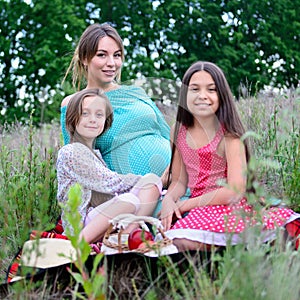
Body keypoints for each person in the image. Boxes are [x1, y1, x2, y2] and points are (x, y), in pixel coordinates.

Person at [159, 61, 300, 251]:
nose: (202, 96)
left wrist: (184, 205)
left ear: (221, 96)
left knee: (182, 241)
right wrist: (169, 201)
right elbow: (178, 181)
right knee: (172, 241)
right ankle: (238, 247)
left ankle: (248, 246)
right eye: (194, 89)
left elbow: (234, 190)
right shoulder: (178, 130)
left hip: (229, 204)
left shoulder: (229, 136)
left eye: (211, 89)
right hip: (201, 209)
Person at [61, 23, 171, 177]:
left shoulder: (136, 93)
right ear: (85, 58)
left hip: (176, 184)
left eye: (117, 55)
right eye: (102, 55)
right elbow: (76, 161)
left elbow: (168, 136)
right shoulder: (74, 103)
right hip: (129, 193)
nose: (112, 63)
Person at [57, 88, 162, 243]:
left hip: (101, 216)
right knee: (129, 201)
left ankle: (126, 235)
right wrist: (142, 181)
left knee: (152, 182)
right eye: (85, 113)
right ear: (73, 117)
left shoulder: (94, 154)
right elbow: (109, 183)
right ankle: (78, 246)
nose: (93, 119)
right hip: (81, 225)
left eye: (99, 114)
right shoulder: (71, 152)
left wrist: (152, 184)